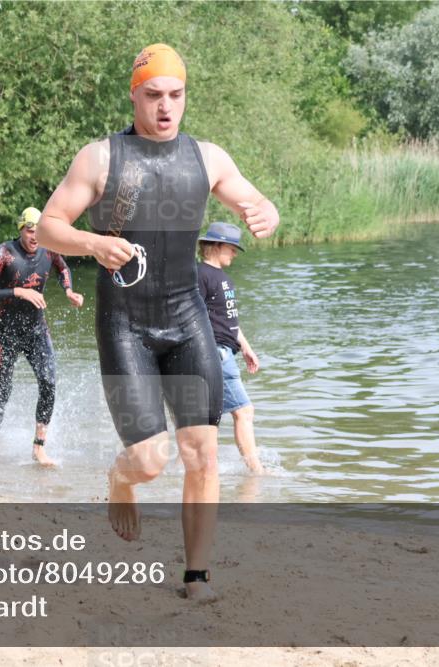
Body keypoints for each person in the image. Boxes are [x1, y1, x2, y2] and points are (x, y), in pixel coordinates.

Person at [37, 44, 279, 600]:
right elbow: (50, 226)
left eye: (175, 95)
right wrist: (91, 241)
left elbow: (252, 197)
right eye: (153, 96)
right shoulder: (100, 158)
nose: (165, 107)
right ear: (134, 96)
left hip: (187, 318)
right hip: (126, 325)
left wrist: (264, 208)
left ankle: (196, 574)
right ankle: (120, 479)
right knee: (150, 460)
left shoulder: (208, 157)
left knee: (201, 452)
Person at [0, 206, 84, 467]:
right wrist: (18, 292)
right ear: (21, 229)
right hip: (6, 334)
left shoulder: (50, 248)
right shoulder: (3, 254)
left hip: (36, 331)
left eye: (39, 232)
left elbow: (62, 267)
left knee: (48, 382)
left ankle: (38, 448)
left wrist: (68, 290)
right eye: (30, 231)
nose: (35, 237)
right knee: (2, 391)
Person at [197, 221, 265, 476]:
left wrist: (246, 348)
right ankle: (256, 471)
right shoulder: (200, 275)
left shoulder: (224, 279)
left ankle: (195, 467)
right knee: (244, 411)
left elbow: (229, 321)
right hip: (215, 352)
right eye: (232, 248)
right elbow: (192, 315)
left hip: (226, 350)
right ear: (216, 245)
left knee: (208, 419)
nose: (235, 253)